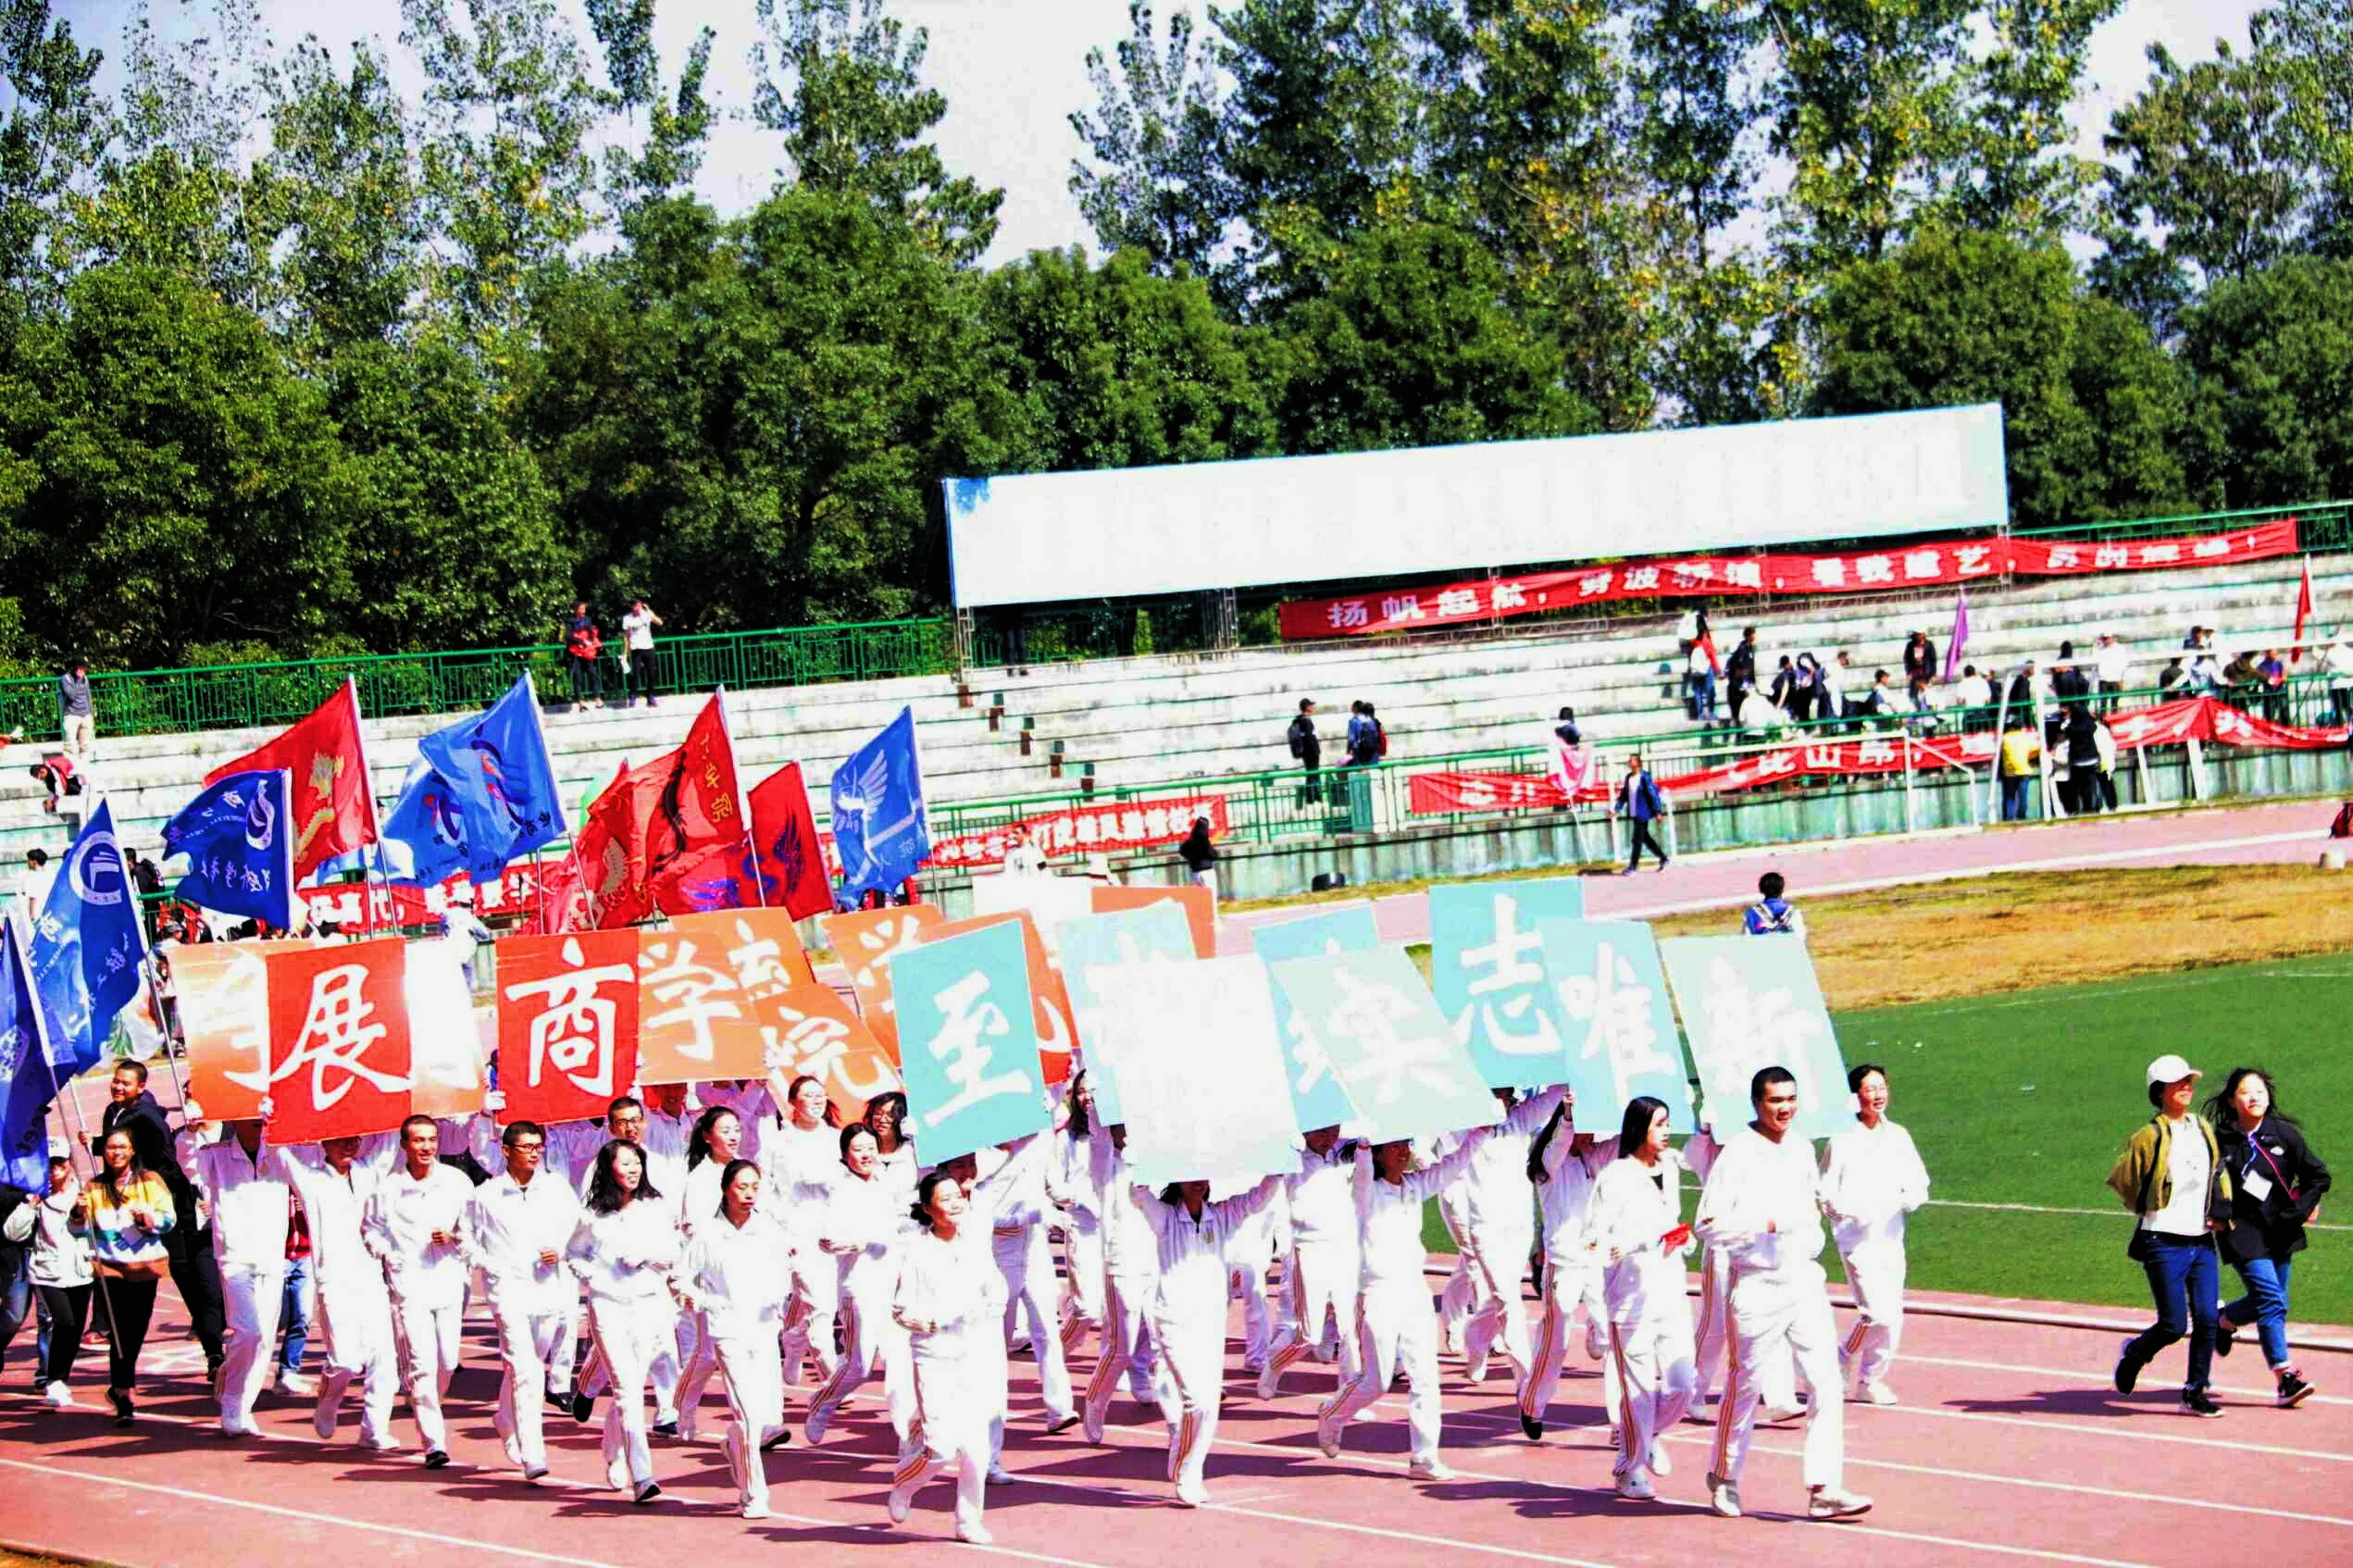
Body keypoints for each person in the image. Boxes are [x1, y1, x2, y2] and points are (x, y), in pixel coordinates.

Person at [1694, 1067, 1872, 1521]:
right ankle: (1724, 1475)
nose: (1785, 1108)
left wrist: (1829, 1207)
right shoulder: (1737, 1154)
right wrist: (1765, 1223)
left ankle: (1824, 1487)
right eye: (1775, 1100)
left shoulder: (1801, 1147)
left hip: (1804, 1280)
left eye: (1791, 1099)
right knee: (1745, 1383)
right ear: (1757, 1104)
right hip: (1757, 1284)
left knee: (1826, 1381)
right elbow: (1708, 1225)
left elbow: (1809, 1201)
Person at [1318, 1126, 1493, 1479]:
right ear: (1377, 1153)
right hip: (1377, 1293)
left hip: (1414, 1292)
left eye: (1406, 1145)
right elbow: (1363, 1173)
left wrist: (1478, 1135)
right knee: (1376, 1382)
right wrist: (1365, 1143)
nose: (1403, 1151)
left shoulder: (1414, 1186)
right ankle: (1332, 1414)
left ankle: (1424, 1458)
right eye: (1394, 1146)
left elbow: (1452, 1166)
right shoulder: (1364, 1191)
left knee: (1426, 1377)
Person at [1131, 1170, 1284, 1505]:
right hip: (1173, 1319)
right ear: (1177, 1180)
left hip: (1211, 1322)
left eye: (1203, 1177)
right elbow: (1139, 1196)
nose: (1199, 1183)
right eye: (1190, 1177)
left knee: (1210, 1403)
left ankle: (1192, 1470)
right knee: (1195, 1402)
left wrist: (1278, 1169)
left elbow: (1257, 1199)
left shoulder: (1222, 1215)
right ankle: (1184, 1461)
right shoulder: (1165, 1217)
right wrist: (1138, 1163)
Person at [2106, 1054, 2232, 1417]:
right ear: (2160, 1091)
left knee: (2207, 1318)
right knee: (2174, 1324)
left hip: (2201, 1239)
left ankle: (2195, 1391)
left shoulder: (2201, 1127)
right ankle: (2135, 1353)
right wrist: (2148, 1203)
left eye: (2188, 1081)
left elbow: (2218, 1170)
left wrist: (2222, 1210)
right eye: (2178, 1083)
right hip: (2162, 1240)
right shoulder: (2149, 1135)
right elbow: (2123, 1178)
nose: (2186, 1087)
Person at [1587, 1097, 1699, 1499]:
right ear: (1639, 1129)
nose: (1667, 1132)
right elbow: (1595, 1237)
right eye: (1659, 1124)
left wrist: (1682, 1238)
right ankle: (1628, 1468)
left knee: (1683, 1385)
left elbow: (1670, 1223)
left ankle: (1648, 1433)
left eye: (1668, 1123)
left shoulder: (1669, 1168)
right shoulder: (1615, 1177)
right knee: (1637, 1392)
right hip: (1630, 1298)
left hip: (1670, 1292)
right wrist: (1624, 1245)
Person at [890, 1168, 1008, 1544]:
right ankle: (904, 1483)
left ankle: (968, 1521)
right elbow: (900, 1309)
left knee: (976, 1447)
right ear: (928, 1208)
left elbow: (996, 1286)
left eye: (958, 1196)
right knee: (940, 1448)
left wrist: (992, 1306)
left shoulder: (974, 1244)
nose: (955, 1204)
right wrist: (923, 1321)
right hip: (934, 1355)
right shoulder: (916, 1251)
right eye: (945, 1199)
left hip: (973, 1352)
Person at [672, 1159, 794, 1518]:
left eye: (755, 1187)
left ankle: (733, 1446)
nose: (749, 1194)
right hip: (727, 1332)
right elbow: (680, 1278)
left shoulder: (768, 1230)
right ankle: (755, 1494)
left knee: (765, 1418)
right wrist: (699, 1300)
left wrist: (778, 1299)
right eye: (742, 1187)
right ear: (726, 1189)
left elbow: (784, 1273)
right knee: (748, 1417)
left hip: (764, 1332)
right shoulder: (708, 1234)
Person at [464, 1118, 583, 1479]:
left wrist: (560, 1250)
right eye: (526, 1147)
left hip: (547, 1290)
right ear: (506, 1150)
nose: (534, 1153)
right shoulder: (486, 1194)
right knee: (526, 1370)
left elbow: (577, 1230)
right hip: (508, 1292)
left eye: (538, 1147)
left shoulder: (556, 1187)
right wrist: (488, 1263)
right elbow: (466, 1238)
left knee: (528, 1364)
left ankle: (505, 1416)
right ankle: (534, 1454)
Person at [2205, 1068, 2330, 1409]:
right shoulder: (2219, 1140)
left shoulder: (2283, 1135)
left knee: (2271, 1302)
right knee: (2272, 1300)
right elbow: (2204, 1180)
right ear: (2232, 1101)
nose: (2254, 1097)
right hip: (2240, 1230)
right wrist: (2213, 1212)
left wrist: (2304, 1206)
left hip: (2281, 1228)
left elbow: (2318, 1176)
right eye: (2246, 1092)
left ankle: (2223, 1320)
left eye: (2260, 1091)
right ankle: (2285, 1378)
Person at [101, 1061, 225, 1384]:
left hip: (185, 1216)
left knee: (201, 1285)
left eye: (125, 1083)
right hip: (153, 1218)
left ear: (141, 1087)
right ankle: (212, 1353)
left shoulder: (148, 1118)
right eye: (116, 1081)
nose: (118, 1087)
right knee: (157, 1281)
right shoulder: (115, 1113)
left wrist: (156, 1198)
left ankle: (217, 1346)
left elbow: (166, 1166)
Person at [566, 1140, 677, 1501]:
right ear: (608, 1168)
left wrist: (646, 1255)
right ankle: (643, 1477)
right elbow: (574, 1254)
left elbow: (673, 1252)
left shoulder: (655, 1207)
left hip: (646, 1304)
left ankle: (613, 1449)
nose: (633, 1169)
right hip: (608, 1307)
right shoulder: (592, 1215)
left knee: (630, 1389)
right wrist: (594, 1276)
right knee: (627, 1391)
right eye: (625, 1163)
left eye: (637, 1162)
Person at [362, 1115, 474, 1465]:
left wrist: (455, 1238)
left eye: (431, 1140)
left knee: (447, 1362)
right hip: (409, 1285)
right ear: (404, 1145)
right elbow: (371, 1229)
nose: (426, 1147)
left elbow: (475, 1230)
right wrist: (387, 1252)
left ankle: (427, 1401)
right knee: (422, 1365)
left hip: (449, 1280)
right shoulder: (388, 1187)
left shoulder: (457, 1182)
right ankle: (433, 1442)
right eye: (418, 1140)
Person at [179, 1111, 297, 1437]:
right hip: (235, 1258)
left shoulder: (282, 1153)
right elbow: (189, 1164)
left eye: (261, 1114)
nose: (257, 1119)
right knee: (249, 1332)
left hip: (271, 1257)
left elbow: (316, 1156)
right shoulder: (216, 1155)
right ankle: (232, 1396)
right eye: (249, 1114)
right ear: (234, 1118)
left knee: (265, 1338)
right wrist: (190, 1133)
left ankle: (241, 1407)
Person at [803, 1124, 920, 1449]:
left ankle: (907, 1436)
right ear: (845, 1155)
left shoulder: (885, 1181)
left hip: (893, 1285)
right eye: (858, 1149)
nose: (866, 1154)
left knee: (899, 1362)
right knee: (860, 1365)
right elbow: (829, 1240)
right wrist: (863, 1241)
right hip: (860, 1288)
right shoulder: (842, 1189)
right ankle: (821, 1402)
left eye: (870, 1147)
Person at [1819, 1064, 1930, 1404]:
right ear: (1856, 1096)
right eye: (1870, 1089)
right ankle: (1842, 1354)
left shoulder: (1898, 1136)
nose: (1878, 1095)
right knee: (1876, 1314)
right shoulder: (1842, 1140)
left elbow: (1918, 1179)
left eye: (1882, 1087)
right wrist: (1845, 1210)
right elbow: (1824, 1192)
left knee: (1893, 1316)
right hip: (1857, 1241)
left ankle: (1870, 1380)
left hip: (1891, 1238)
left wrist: (1912, 1197)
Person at [280, 1134, 400, 1450]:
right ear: (324, 1144)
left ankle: (373, 1430)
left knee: (384, 1359)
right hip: (333, 1280)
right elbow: (282, 1154)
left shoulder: (369, 1172)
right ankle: (329, 1397)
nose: (348, 1146)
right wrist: (270, 1126)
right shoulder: (311, 1180)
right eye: (340, 1141)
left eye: (353, 1140)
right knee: (346, 1361)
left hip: (371, 1277)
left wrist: (399, 1106)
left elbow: (390, 1142)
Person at [1518, 1095, 1618, 1443]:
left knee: (1612, 1335)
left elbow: (1625, 1141)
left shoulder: (1593, 1158)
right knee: (1556, 1341)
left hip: (1598, 1260)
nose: (1591, 1138)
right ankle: (1532, 1404)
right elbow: (1560, 1143)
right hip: (1563, 1263)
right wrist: (1570, 1116)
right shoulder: (1548, 1165)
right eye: (1584, 1130)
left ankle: (1621, 1423)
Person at [1258, 1123, 1360, 1400]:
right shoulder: (1291, 1158)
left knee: (1351, 1328)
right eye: (1322, 1131)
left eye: (1334, 1130)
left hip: (1345, 1247)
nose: (1329, 1138)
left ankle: (1349, 1395)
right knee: (1308, 1336)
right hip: (1309, 1248)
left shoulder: (1345, 1153)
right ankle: (1275, 1364)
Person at [81, 1126, 176, 1427]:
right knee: (120, 1333)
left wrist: (149, 1219)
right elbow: (80, 1231)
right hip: (110, 1268)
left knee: (135, 1331)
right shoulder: (94, 1187)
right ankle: (124, 1393)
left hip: (145, 1267)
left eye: (122, 1147)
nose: (116, 1153)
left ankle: (120, 1385)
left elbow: (169, 1219)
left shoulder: (149, 1181)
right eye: (111, 1147)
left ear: (132, 1150)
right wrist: (77, 1215)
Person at [14, 1139, 91, 1409]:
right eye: (49, 1163)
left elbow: (91, 1231)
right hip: (47, 1271)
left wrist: (84, 1213)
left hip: (80, 1270)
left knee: (75, 1328)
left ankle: (60, 1379)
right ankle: (53, 1379)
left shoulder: (84, 1193)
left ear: (69, 1163)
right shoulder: (34, 1195)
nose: (54, 1168)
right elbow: (13, 1232)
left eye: (60, 1162)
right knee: (63, 1322)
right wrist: (31, 1206)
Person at [1613, 754, 1669, 875]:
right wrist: (1616, 809)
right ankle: (1664, 858)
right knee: (1646, 838)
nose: (1629, 762)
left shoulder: (1644, 777)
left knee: (1636, 839)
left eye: (1632, 760)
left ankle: (1633, 867)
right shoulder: (1629, 777)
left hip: (1643, 812)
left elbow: (1652, 794)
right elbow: (1624, 795)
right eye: (1629, 760)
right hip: (1634, 812)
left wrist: (1658, 811)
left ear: (1638, 763)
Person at [618, 598, 663, 707]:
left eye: (638, 606)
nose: (637, 608)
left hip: (648, 647)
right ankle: (633, 696)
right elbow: (626, 636)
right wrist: (625, 653)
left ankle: (650, 696)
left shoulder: (646, 614)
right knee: (635, 674)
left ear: (641, 605)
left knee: (651, 674)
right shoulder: (627, 618)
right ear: (631, 607)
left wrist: (650, 612)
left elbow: (660, 622)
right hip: (636, 649)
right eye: (634, 606)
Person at [1998, 714, 2040, 822]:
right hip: (2024, 770)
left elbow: (1999, 752)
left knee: (2010, 797)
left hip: (2009, 772)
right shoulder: (2027, 737)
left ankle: (2009, 818)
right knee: (2023, 797)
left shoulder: (2004, 738)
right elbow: (2035, 749)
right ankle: (2022, 817)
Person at [1742, 871, 1806, 939]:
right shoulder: (1793, 912)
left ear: (1761, 890)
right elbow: (1801, 938)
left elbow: (1746, 939)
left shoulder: (1751, 913)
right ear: (1782, 890)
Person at [565, 602, 604, 707]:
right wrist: (581, 642)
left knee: (593, 674)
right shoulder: (569, 621)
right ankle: (580, 701)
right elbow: (568, 636)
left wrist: (591, 641)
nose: (583, 610)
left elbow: (591, 632)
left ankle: (597, 698)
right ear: (576, 610)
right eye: (581, 608)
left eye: (584, 608)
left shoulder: (587, 619)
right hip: (574, 652)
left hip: (586, 652)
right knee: (578, 678)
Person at [56, 658, 94, 759]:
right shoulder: (65, 679)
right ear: (75, 668)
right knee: (70, 747)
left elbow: (87, 695)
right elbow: (71, 696)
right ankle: (71, 767)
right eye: (81, 668)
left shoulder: (85, 679)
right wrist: (77, 680)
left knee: (85, 747)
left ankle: (84, 765)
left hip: (85, 715)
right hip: (71, 715)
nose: (84, 670)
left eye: (85, 668)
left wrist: (91, 713)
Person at [1288, 698, 1322, 804]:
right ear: (1307, 707)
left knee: (1311, 773)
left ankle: (1313, 796)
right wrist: (1316, 750)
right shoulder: (1306, 721)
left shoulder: (1299, 720)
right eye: (1311, 705)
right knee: (1313, 773)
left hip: (1305, 752)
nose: (1313, 707)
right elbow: (1309, 738)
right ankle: (1312, 797)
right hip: (1311, 752)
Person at [1176, 817, 1218, 903]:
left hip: (1194, 872)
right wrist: (1214, 852)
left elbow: (1182, 851)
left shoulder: (1190, 841)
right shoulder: (1205, 841)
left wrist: (1190, 857)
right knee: (1211, 896)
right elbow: (1213, 855)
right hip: (1207, 871)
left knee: (1199, 898)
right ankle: (1211, 911)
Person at [2094, 634, 2131, 712]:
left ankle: (2114, 718)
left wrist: (2122, 680)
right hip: (2103, 680)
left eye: (2107, 638)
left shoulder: (2120, 649)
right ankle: (2103, 718)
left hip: (2116, 679)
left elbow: (2124, 665)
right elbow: (2095, 664)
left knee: (2115, 703)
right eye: (2104, 639)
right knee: (2103, 704)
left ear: (2112, 638)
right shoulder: (2099, 649)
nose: (2105, 641)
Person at [1725, 627, 1760, 709]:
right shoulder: (1742, 649)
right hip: (1741, 684)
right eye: (1753, 634)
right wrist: (1743, 684)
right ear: (1748, 636)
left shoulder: (1751, 648)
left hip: (1748, 682)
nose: (1755, 636)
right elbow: (1737, 665)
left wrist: (1753, 681)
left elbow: (1750, 666)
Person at [2257, 649, 2289, 723]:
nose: (2275, 656)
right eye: (2273, 654)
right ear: (2267, 654)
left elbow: (2284, 676)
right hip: (2269, 693)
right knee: (2270, 715)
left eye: (2275, 654)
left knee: (2284, 713)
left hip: (2280, 691)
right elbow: (2260, 678)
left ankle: (2286, 727)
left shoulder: (2279, 663)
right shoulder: (2261, 666)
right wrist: (2269, 680)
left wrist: (2279, 680)